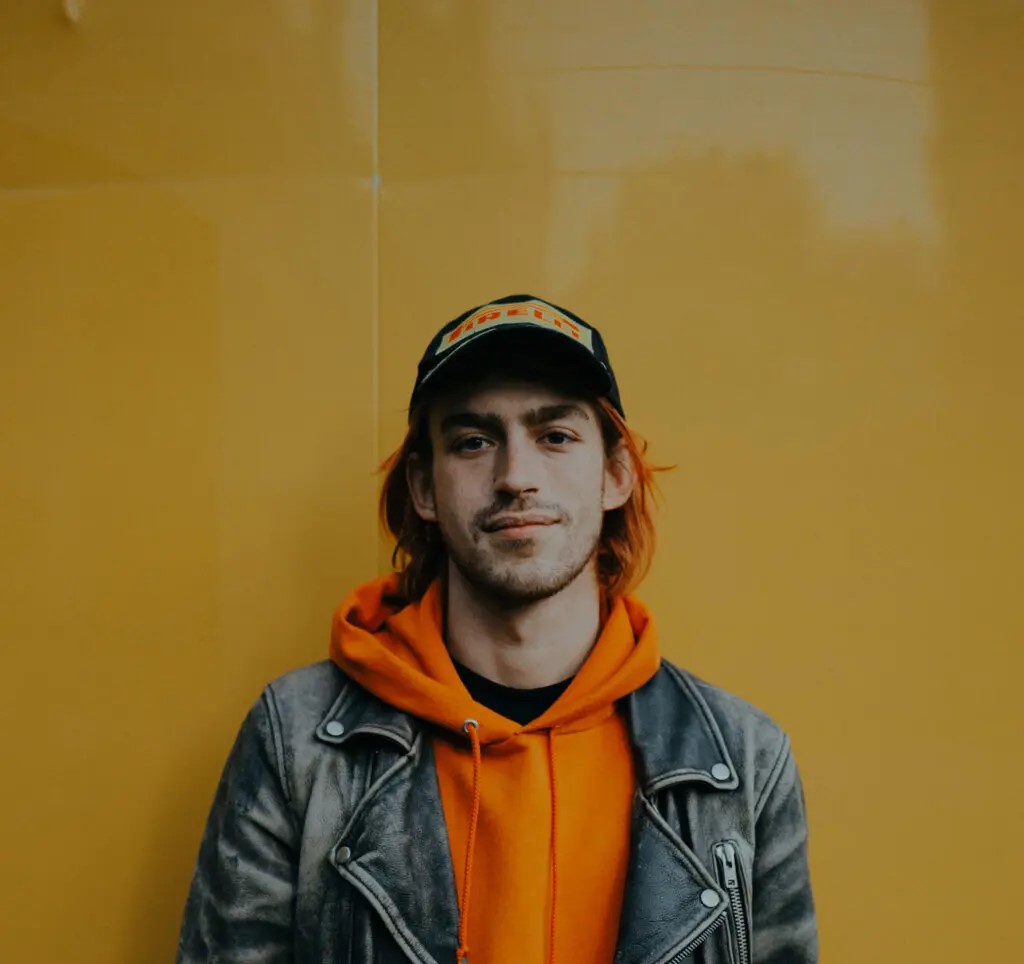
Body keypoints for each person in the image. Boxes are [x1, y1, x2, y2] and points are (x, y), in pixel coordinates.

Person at [177, 294, 818, 964]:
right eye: (474, 441)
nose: (516, 477)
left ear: (615, 475)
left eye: (556, 436)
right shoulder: (297, 743)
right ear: (424, 488)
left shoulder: (743, 764)